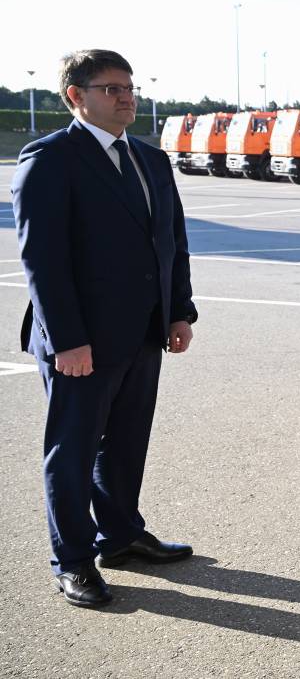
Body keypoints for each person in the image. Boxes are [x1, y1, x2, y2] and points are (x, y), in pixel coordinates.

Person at [12, 49, 198, 608]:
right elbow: (43, 260)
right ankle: (72, 561)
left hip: (144, 332)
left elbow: (172, 242)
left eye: (130, 88)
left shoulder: (151, 159)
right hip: (81, 341)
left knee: (126, 443)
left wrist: (179, 311)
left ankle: (120, 536)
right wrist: (67, 340)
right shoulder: (51, 158)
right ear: (76, 95)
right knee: (72, 452)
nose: (126, 98)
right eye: (112, 88)